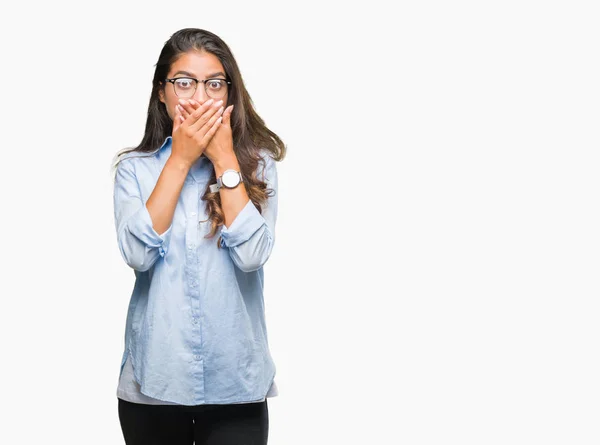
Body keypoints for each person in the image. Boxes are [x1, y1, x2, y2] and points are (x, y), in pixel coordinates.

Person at [111, 28, 286, 445]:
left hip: (236, 385)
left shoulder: (257, 166)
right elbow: (137, 254)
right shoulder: (135, 169)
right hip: (154, 384)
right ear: (162, 93)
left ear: (229, 93)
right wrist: (180, 160)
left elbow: (252, 256)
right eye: (184, 82)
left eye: (213, 83)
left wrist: (225, 160)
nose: (199, 95)